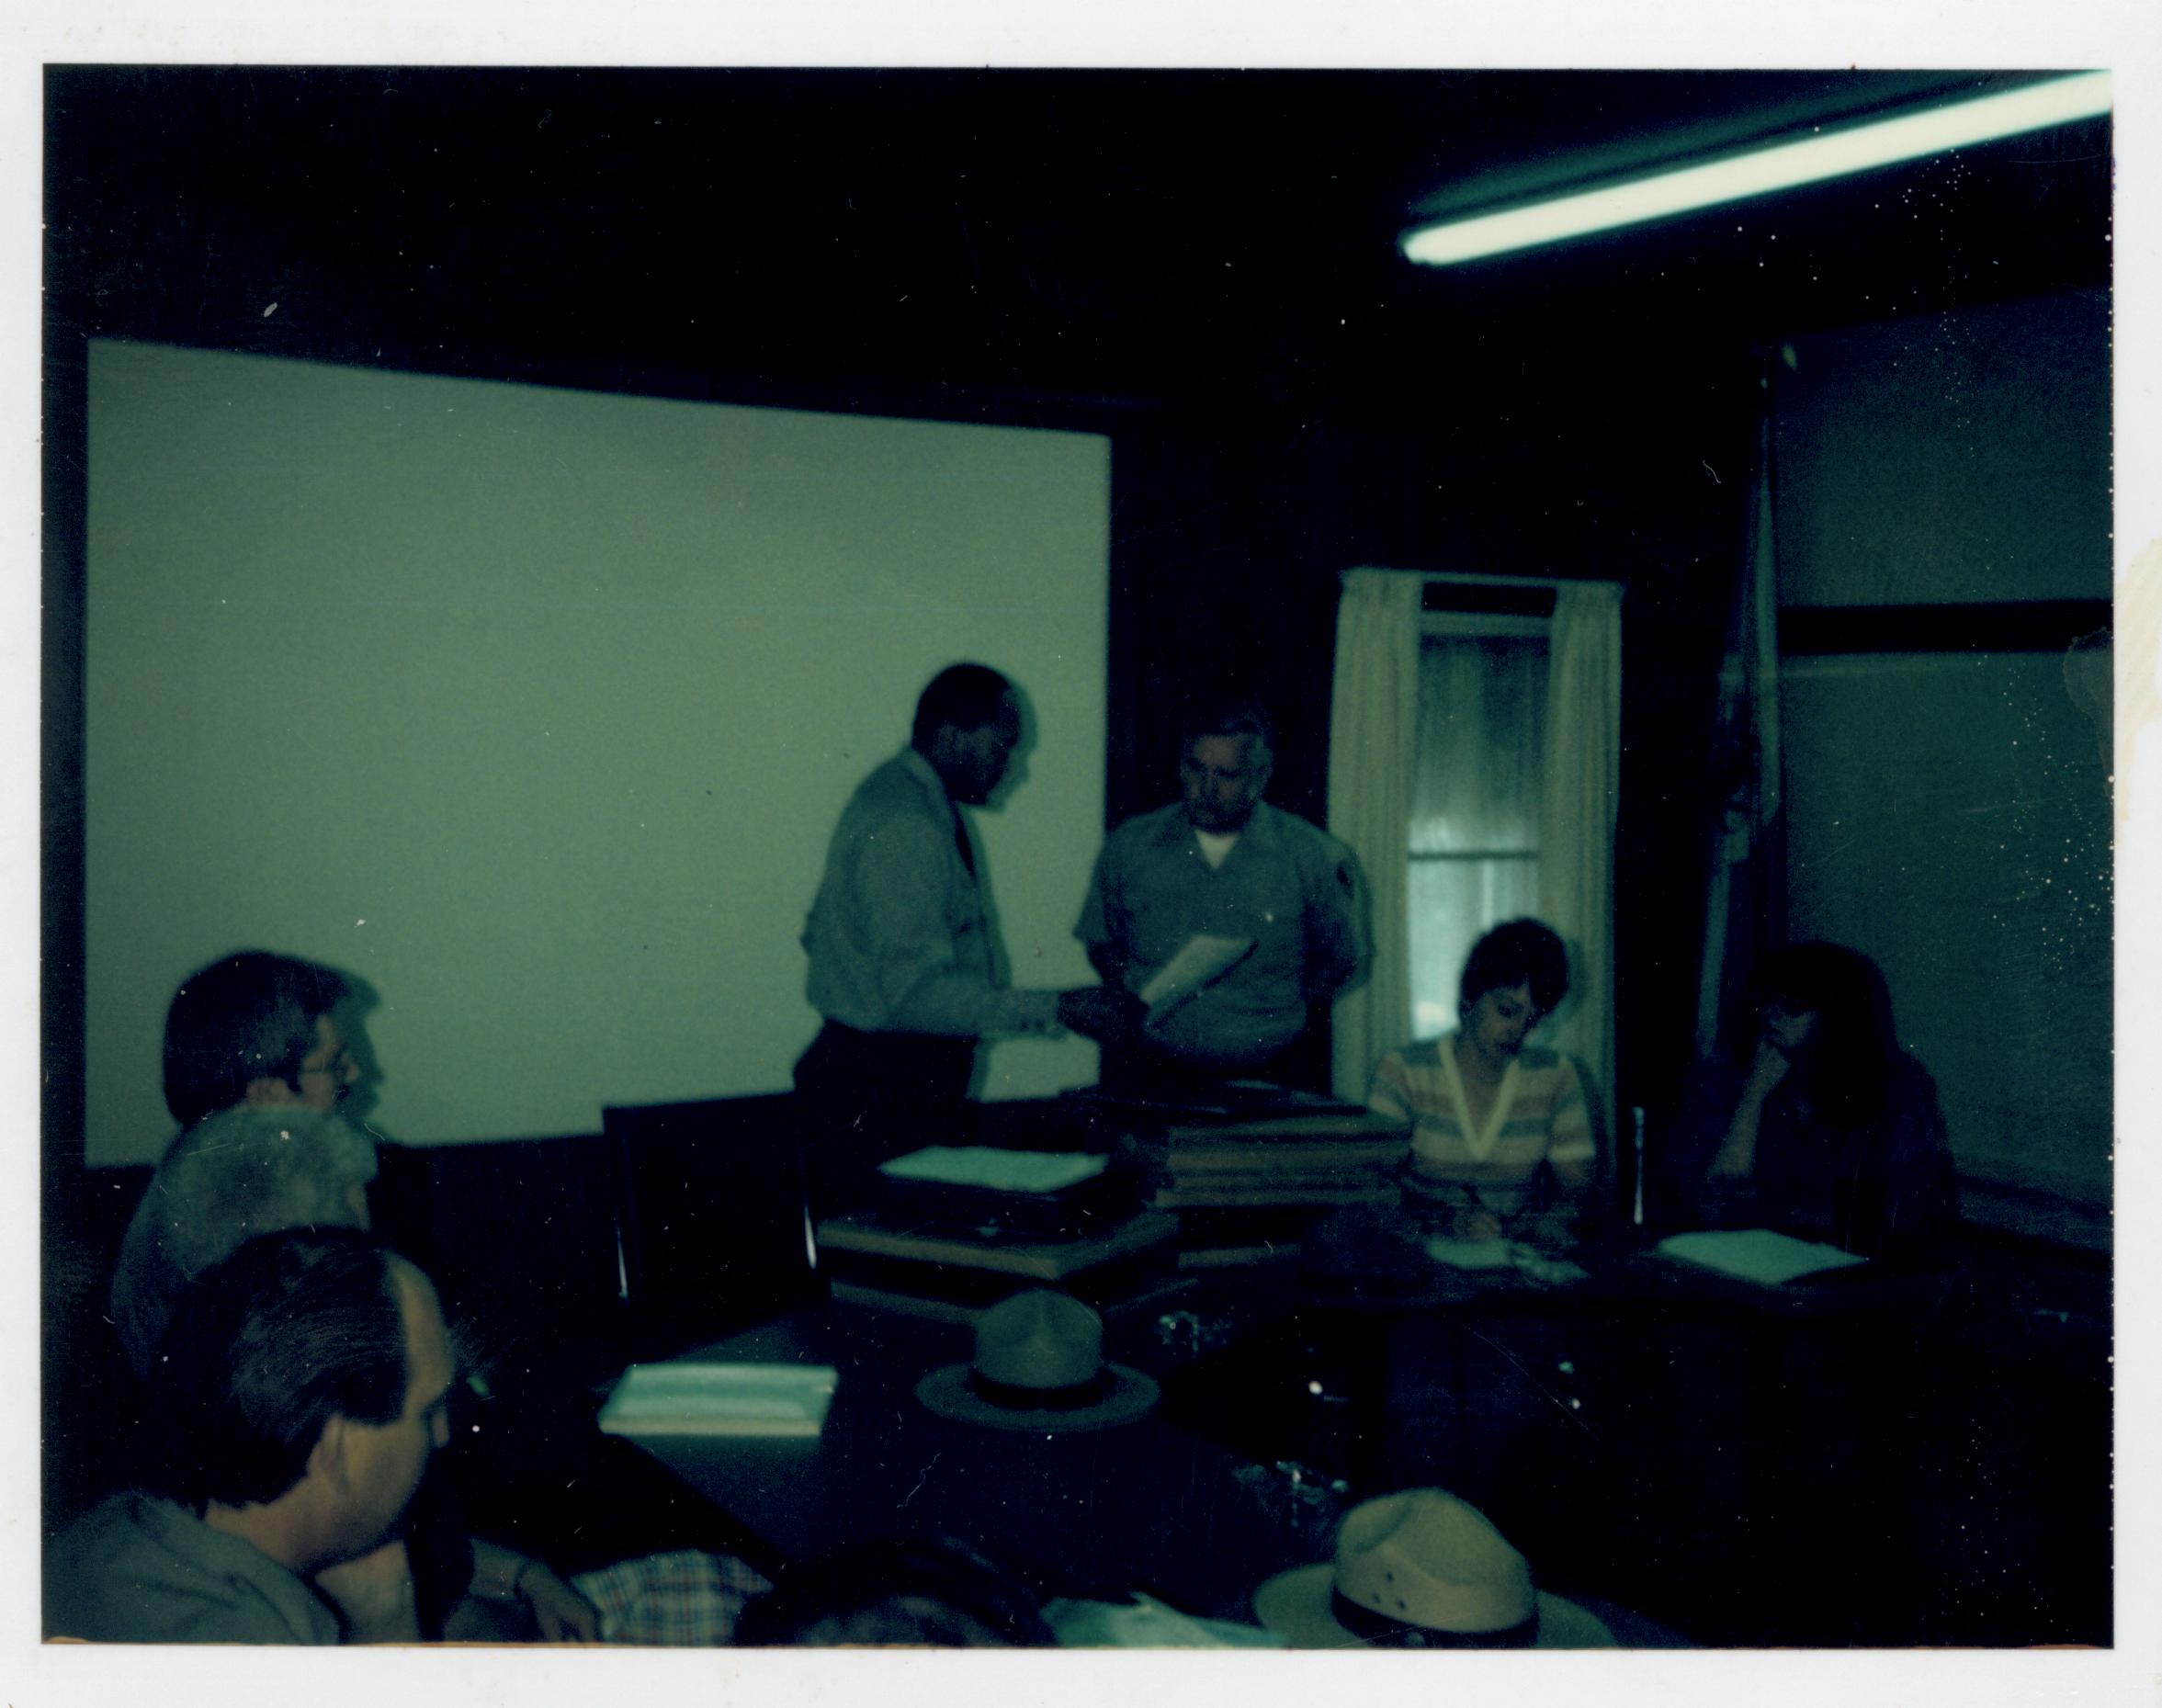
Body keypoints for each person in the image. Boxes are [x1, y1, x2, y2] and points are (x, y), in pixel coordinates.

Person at [108, 949, 598, 1641]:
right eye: (334, 1064)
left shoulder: (195, 1191)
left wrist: (515, 1572)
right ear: (267, 1093)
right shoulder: (259, 1237)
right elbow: (339, 1538)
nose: (355, 1076)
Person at [795, 663, 1134, 1201]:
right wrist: (1061, 1007)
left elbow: (819, 932)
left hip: (870, 1082)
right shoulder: (910, 824)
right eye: (1004, 746)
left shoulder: (893, 795)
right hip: (884, 1094)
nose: (1013, 767)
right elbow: (915, 999)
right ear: (953, 735)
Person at [50, 1229, 456, 1644]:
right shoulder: (258, 1655)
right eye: (428, 1413)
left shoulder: (106, 1535)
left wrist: (382, 1609)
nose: (443, 1434)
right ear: (339, 1447)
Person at [1075, 696, 1364, 1087]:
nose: (1206, 789)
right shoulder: (1130, 846)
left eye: (1226, 775)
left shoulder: (1314, 856)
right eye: (1195, 769)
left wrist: (1266, 1013)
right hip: (1153, 1070)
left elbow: (1341, 960)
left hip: (1272, 1072)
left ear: (1259, 776)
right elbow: (1101, 939)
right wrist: (1137, 991)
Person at [1677, 942, 1958, 1259]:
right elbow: (1705, 1198)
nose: (1773, 1016)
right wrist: (1752, 1098)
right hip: (1749, 1259)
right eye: (1765, 1002)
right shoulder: (1725, 1077)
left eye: (1794, 1006)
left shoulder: (1898, 1084)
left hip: (1861, 1265)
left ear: (1837, 1015)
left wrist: (1779, 1212)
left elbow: (1912, 1205)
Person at [1365, 919, 1595, 1247]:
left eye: (1533, 1020)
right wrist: (1445, 1220)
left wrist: (1545, 1223)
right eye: (1506, 1011)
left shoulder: (1557, 1076)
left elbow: (1579, 1191)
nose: (1518, 1030)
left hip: (1511, 1266)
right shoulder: (1403, 1071)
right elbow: (1372, 1191)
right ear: (1472, 996)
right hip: (1418, 1263)